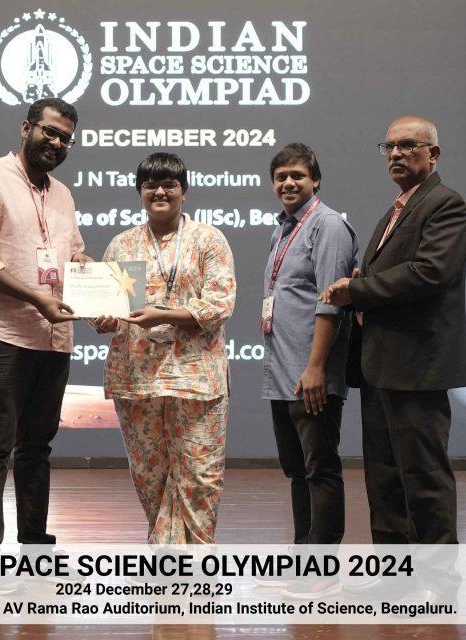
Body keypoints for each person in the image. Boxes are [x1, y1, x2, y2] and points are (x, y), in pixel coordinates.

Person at [0, 98, 91, 558]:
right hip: (2, 332)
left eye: (65, 138)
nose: (56, 143)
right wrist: (37, 299)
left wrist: (97, 279)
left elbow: (72, 254)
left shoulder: (63, 194)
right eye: (49, 132)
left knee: (38, 446)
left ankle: (35, 546)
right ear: (26, 128)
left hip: (53, 337)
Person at [322, 117, 466, 554]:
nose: (396, 154)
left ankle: (436, 576)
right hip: (381, 363)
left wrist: (358, 290)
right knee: (384, 475)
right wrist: (360, 280)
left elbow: (431, 271)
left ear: (433, 154)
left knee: (423, 476)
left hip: (416, 365)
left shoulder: (445, 203)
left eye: (408, 145)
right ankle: (393, 571)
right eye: (390, 147)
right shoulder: (397, 209)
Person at [94, 152, 236, 544]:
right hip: (137, 379)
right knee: (149, 474)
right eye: (150, 185)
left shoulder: (209, 239)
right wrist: (101, 318)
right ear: (140, 192)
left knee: (201, 475)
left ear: (183, 192)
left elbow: (220, 305)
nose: (159, 192)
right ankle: (167, 557)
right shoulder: (122, 245)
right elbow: (110, 310)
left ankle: (197, 557)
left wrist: (166, 315)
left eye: (169, 184)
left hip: (196, 379)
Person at [259, 143, 358, 596]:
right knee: (297, 472)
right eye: (281, 176)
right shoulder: (281, 231)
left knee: (321, 469)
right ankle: (303, 559)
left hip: (311, 375)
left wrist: (316, 368)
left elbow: (330, 303)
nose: (288, 183)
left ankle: (323, 571)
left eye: (297, 175)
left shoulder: (328, 225)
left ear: (315, 179)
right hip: (282, 375)